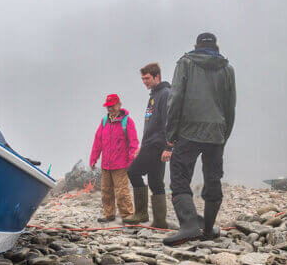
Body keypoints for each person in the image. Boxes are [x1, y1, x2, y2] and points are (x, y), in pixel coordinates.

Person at [161, 33, 236, 246]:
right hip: (217, 133)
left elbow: (175, 99)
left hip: (189, 130)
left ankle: (189, 226)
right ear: (216, 47)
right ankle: (209, 229)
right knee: (213, 178)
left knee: (180, 175)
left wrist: (171, 134)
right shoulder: (227, 69)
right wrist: (224, 135)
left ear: (196, 46)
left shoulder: (186, 63)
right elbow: (231, 106)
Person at [123, 63, 171, 228]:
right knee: (156, 182)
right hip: (149, 144)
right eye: (143, 79)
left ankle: (141, 214)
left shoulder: (165, 94)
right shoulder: (153, 96)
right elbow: (149, 125)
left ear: (157, 76)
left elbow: (168, 123)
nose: (144, 82)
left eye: (147, 78)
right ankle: (160, 221)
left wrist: (168, 147)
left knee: (133, 171)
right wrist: (141, 146)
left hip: (157, 145)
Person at [90, 94, 139, 222]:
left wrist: (131, 162)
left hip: (121, 165)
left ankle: (128, 215)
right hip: (106, 164)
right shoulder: (104, 121)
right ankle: (109, 214)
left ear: (119, 105)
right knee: (106, 192)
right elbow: (98, 141)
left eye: (112, 106)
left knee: (122, 192)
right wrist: (93, 158)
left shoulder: (127, 121)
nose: (110, 109)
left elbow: (134, 143)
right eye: (108, 106)